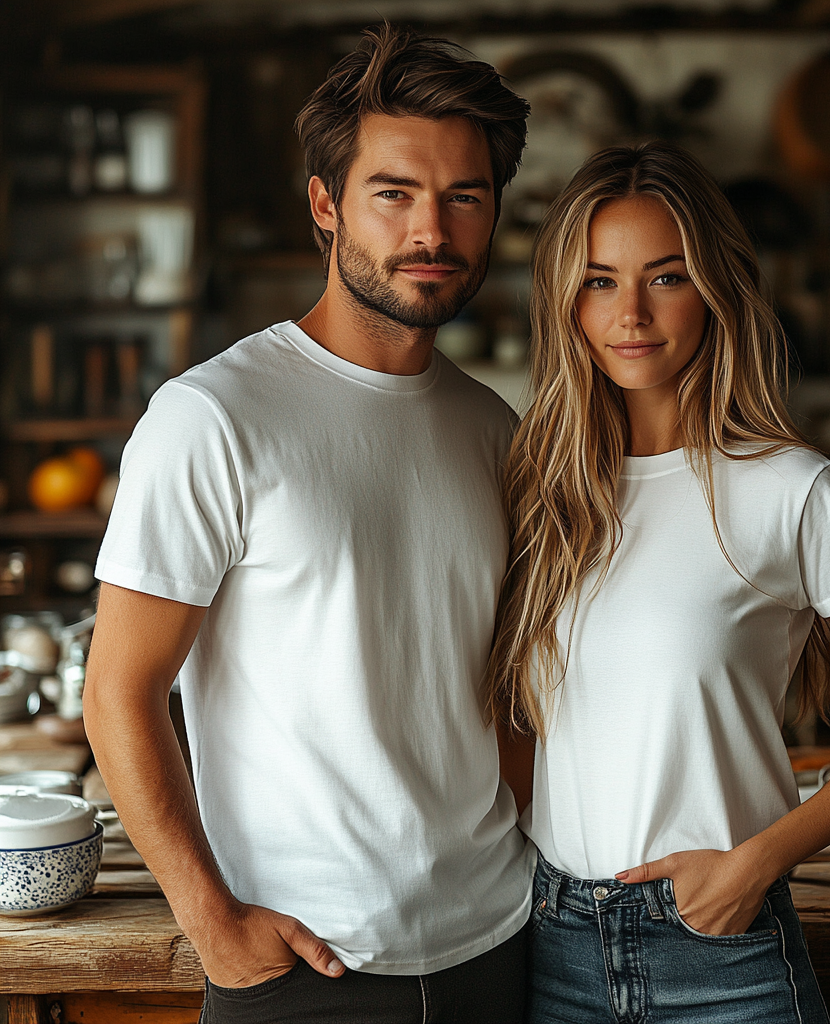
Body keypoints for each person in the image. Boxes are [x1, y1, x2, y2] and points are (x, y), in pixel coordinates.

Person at [83, 26, 534, 1024]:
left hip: (499, 945)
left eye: (465, 195)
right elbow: (118, 691)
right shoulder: (213, 418)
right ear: (326, 205)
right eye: (395, 192)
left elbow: (502, 692)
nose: (433, 228)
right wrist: (212, 923)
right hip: (302, 968)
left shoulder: (494, 430)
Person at [485, 142, 830, 1024]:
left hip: (720, 952)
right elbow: (517, 720)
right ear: (566, 301)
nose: (632, 314)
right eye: (599, 281)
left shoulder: (792, 490)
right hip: (553, 945)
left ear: (715, 288)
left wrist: (756, 864)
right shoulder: (541, 489)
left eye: (666, 277)